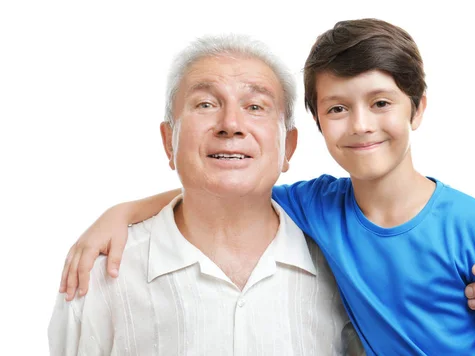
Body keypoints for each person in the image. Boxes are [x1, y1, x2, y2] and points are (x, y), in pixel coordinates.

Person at [59, 20, 475, 354]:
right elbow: (230, 185)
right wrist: (122, 211)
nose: (361, 125)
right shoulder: (318, 209)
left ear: (417, 108)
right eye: (337, 109)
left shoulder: (471, 228)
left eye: (381, 103)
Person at [49, 35, 364, 355]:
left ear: (289, 147)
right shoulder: (100, 273)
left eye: (255, 106)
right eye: (205, 104)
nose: (231, 124)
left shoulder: (342, 269)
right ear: (168, 140)